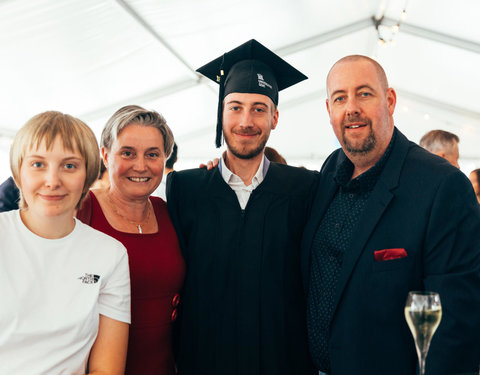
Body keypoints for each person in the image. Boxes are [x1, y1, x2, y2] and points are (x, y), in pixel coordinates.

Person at [302, 55, 480, 375]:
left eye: (364, 93)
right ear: (329, 110)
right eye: (340, 98)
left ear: (390, 100)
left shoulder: (442, 186)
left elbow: (457, 327)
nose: (351, 107)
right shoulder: (329, 170)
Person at [166, 39, 317, 375]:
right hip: (204, 361)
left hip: (283, 361)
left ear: (275, 117)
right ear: (221, 113)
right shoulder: (185, 189)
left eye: (259, 109)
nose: (245, 120)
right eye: (235, 107)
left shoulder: (305, 190)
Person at [0, 111, 131, 374]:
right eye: (38, 164)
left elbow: (106, 370)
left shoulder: (110, 254)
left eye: (69, 166)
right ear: (18, 172)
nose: (52, 181)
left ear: (89, 174)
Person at [76, 105, 185, 375]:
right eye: (127, 153)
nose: (141, 166)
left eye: (152, 154)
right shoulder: (81, 210)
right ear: (105, 155)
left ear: (165, 158)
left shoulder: (170, 213)